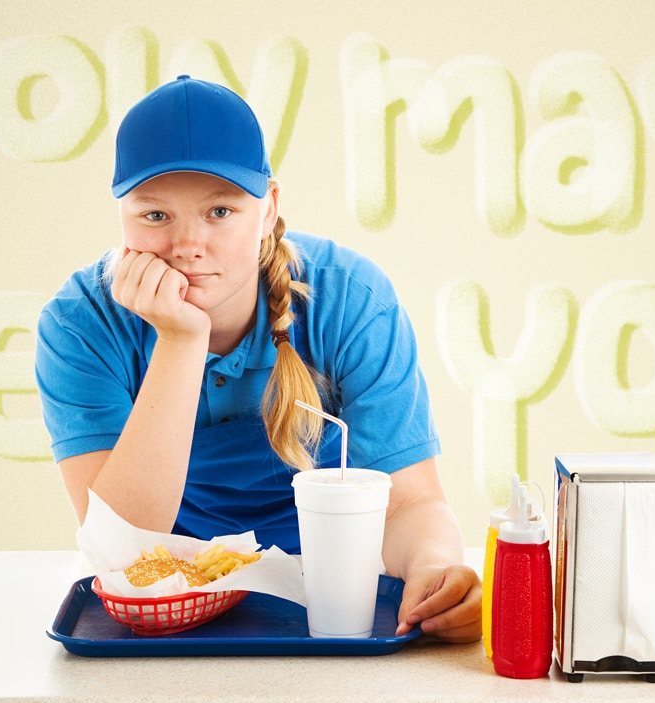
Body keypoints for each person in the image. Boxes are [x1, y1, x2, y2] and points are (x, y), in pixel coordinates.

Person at [35, 75, 481, 644]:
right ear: (121, 215)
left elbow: (409, 501)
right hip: (165, 605)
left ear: (268, 209)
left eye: (220, 211)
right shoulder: (80, 323)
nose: (187, 244)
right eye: (154, 216)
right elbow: (122, 546)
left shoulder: (350, 300)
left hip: (323, 597)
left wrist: (434, 570)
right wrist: (179, 340)